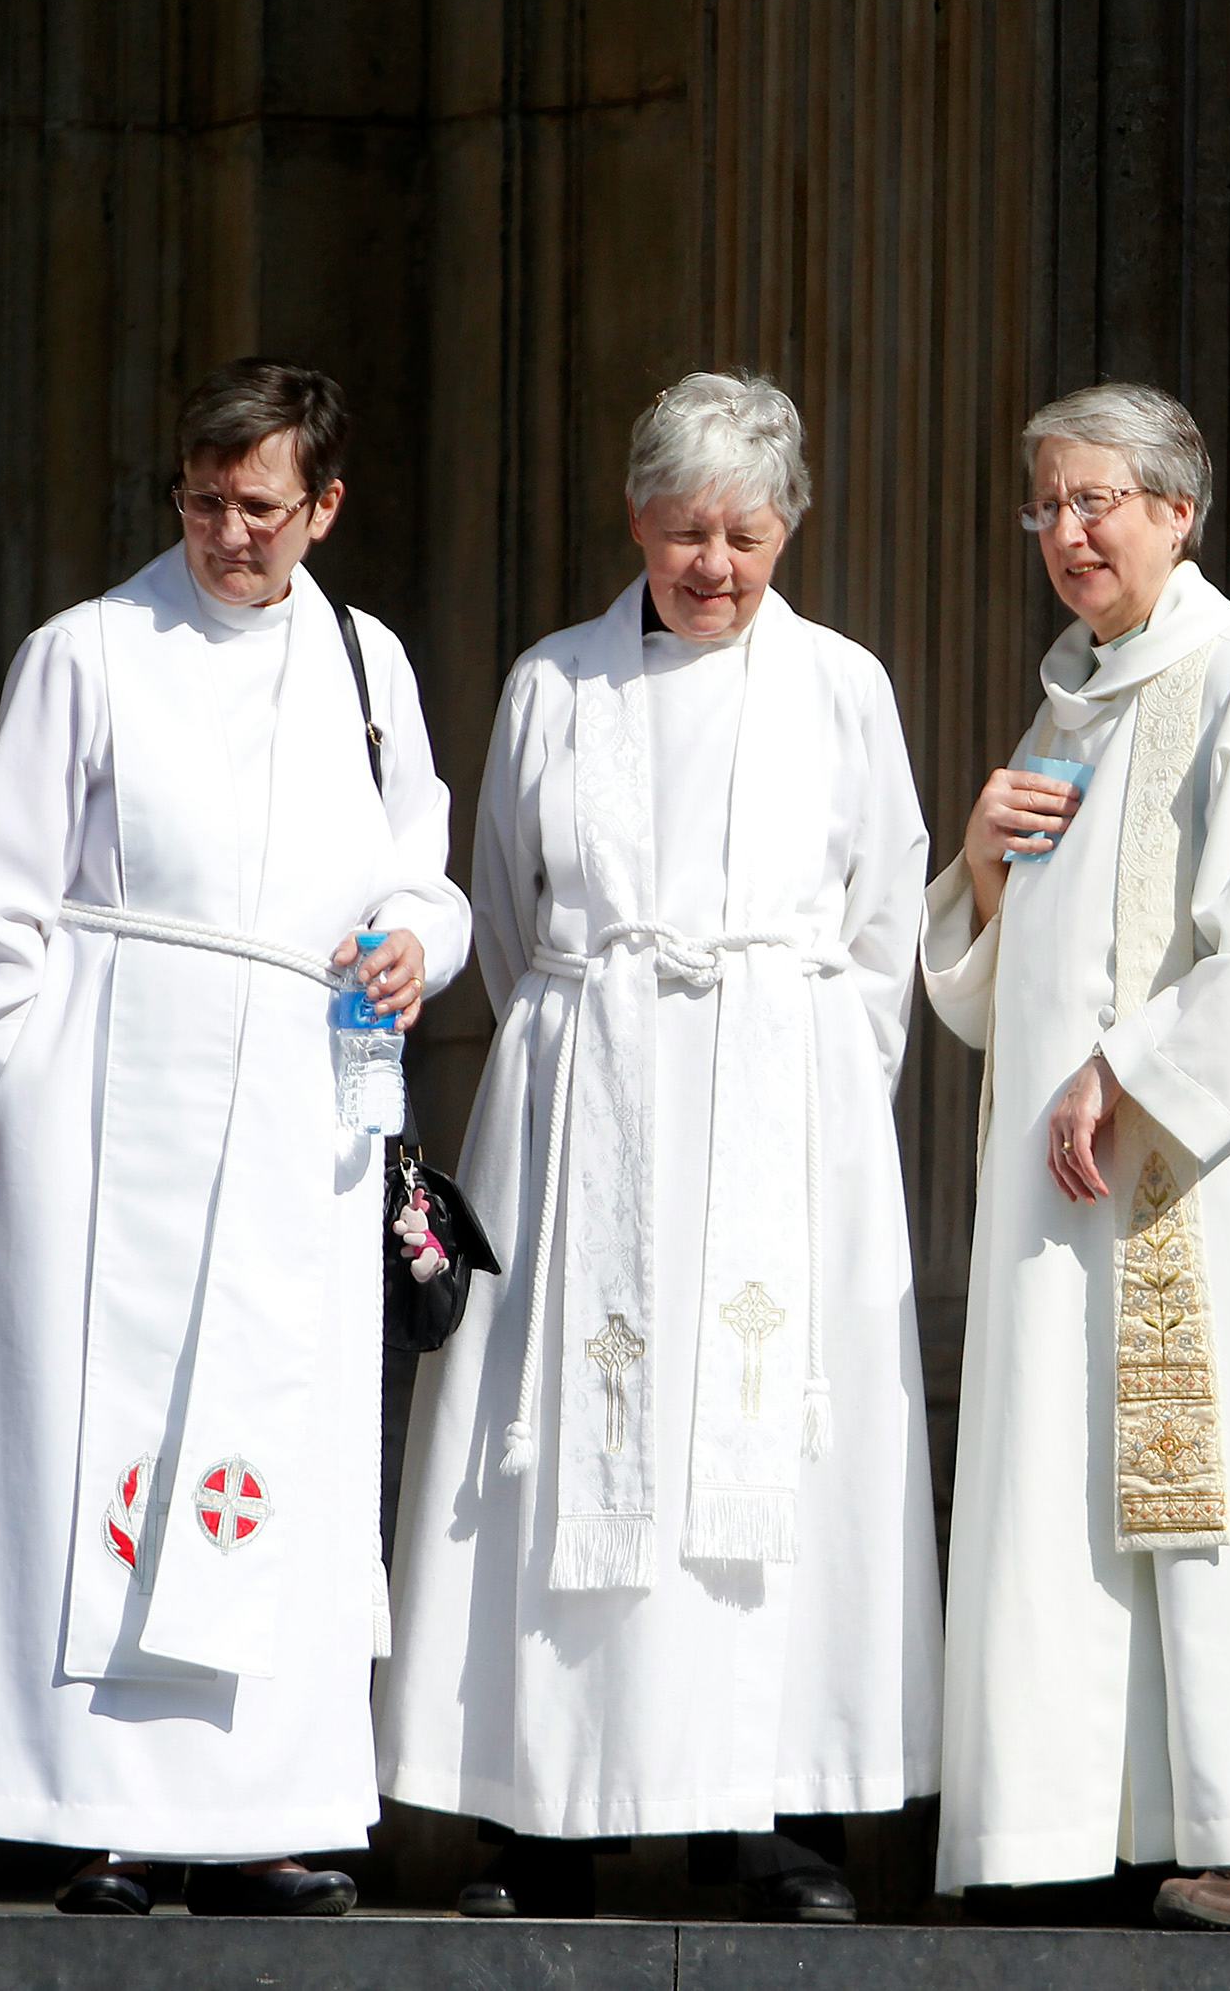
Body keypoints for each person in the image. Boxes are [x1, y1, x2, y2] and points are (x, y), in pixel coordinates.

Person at [0, 359, 470, 1915]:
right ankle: (106, 1811)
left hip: (297, 1098)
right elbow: (1, 892)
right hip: (105, 1086)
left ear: (323, 506)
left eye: (259, 506)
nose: (225, 533)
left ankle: (264, 1808)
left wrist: (418, 939)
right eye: (202, 500)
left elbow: (421, 862)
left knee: (277, 1451)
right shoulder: (90, 649)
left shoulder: (364, 660)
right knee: (105, 1442)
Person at [379, 372, 939, 1923]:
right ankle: (552, 1811)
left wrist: (804, 1081)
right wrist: (596, 1044)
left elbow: (883, 915)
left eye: (747, 534)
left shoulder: (843, 686)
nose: (715, 564)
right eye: (687, 530)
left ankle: (770, 1821)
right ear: (636, 520)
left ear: (788, 530)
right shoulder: (556, 682)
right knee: (574, 1429)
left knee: (760, 1454)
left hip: (778, 1095)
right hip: (591, 1097)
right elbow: (501, 908)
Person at [921, 382, 1230, 1930]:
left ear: (1176, 510)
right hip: (1076, 1184)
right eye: (1047, 506)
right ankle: (1078, 1821)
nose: (1068, 533)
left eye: (1097, 502)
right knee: (1076, 1492)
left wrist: (1125, 1074)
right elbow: (992, 976)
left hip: (1210, 1188)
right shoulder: (1067, 701)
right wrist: (980, 870)